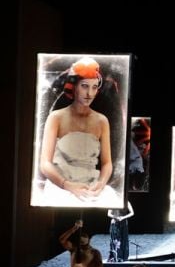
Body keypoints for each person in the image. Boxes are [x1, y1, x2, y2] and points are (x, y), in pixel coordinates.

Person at [37, 57, 121, 207]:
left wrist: (100, 184)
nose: (89, 93)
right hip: (61, 187)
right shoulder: (56, 117)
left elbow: (107, 163)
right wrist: (67, 185)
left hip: (91, 186)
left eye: (94, 87)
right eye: (84, 86)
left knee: (115, 203)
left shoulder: (102, 121)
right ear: (74, 86)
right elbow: (45, 164)